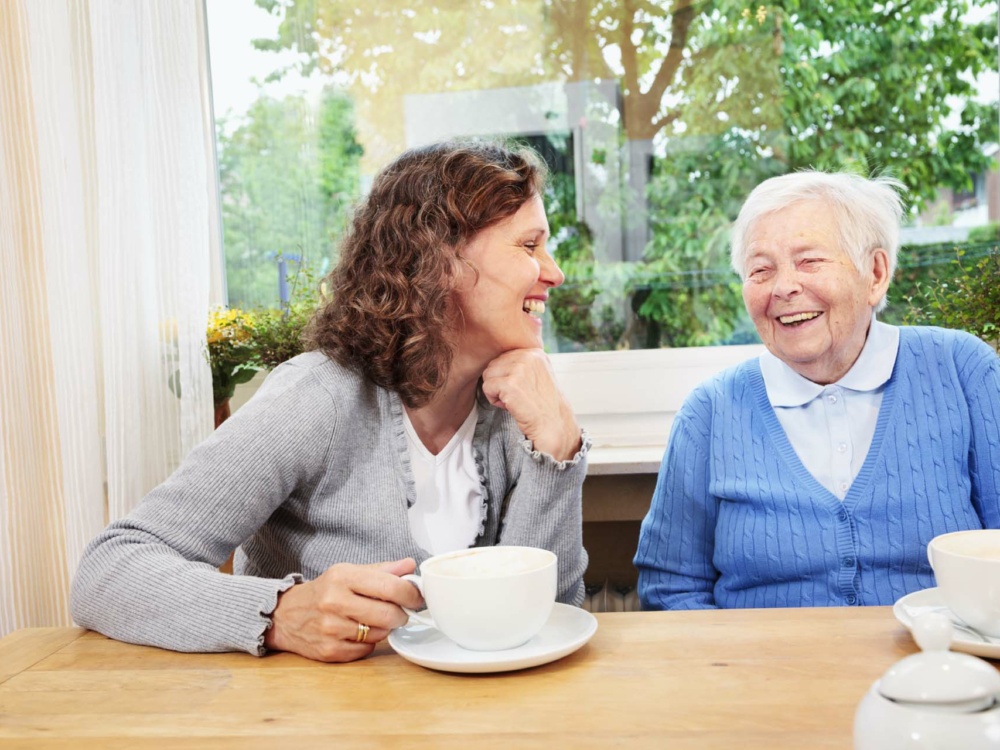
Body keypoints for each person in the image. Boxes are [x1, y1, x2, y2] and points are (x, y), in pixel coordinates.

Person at [71, 141, 589, 662]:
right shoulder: (317, 398)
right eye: (529, 246)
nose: (554, 272)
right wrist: (278, 613)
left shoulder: (516, 408)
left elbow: (552, 614)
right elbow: (108, 571)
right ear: (442, 259)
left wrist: (559, 447)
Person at [634, 170, 1000, 610]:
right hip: (765, 673)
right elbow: (671, 589)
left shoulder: (963, 372)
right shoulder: (710, 412)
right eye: (760, 270)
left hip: (937, 667)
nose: (784, 287)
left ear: (876, 274)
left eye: (810, 261)